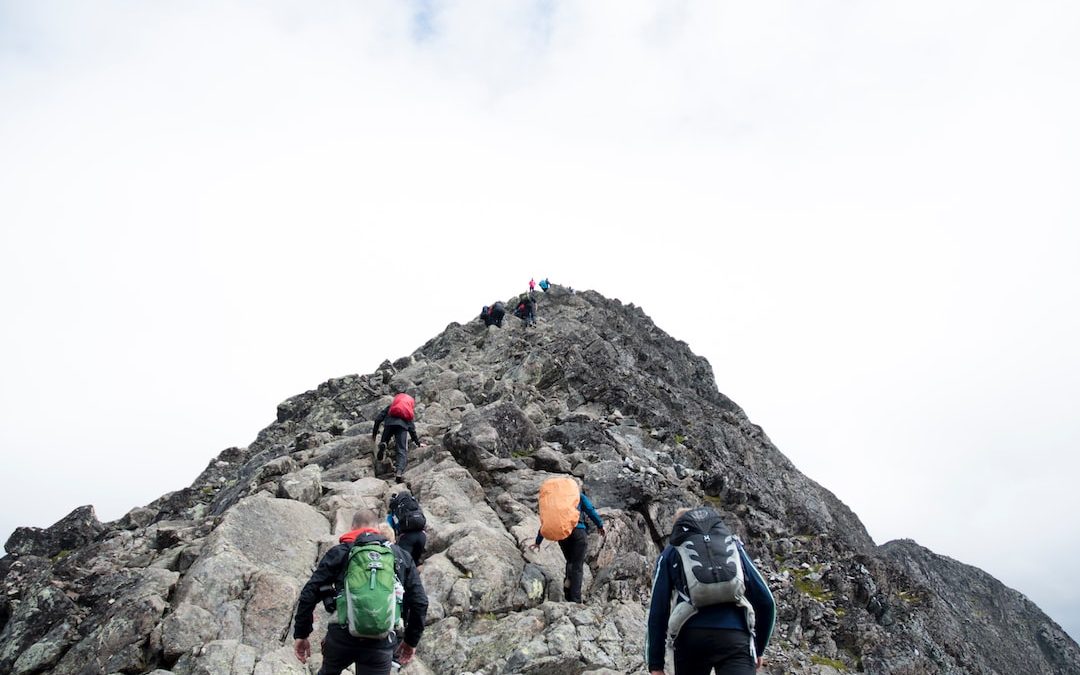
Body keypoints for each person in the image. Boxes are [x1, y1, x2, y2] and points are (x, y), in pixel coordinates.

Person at [293, 509, 428, 675]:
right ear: (377, 529)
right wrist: (410, 641)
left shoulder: (340, 552)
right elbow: (420, 602)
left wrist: (302, 634)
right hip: (381, 641)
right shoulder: (400, 556)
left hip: (341, 637)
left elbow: (309, 593)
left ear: (352, 527)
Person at [645, 506, 775, 675]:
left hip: (691, 637)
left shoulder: (671, 551)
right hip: (736, 636)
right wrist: (759, 649)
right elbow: (766, 601)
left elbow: (658, 609)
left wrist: (656, 663)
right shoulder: (732, 545)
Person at [529, 487, 605, 602]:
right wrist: (600, 525)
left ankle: (568, 592)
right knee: (577, 566)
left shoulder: (555, 502)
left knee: (570, 561)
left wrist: (538, 541)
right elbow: (590, 510)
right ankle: (575, 600)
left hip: (562, 534)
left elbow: (549, 522)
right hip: (579, 532)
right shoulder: (577, 495)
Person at [372, 394, 422, 482]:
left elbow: (378, 419)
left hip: (389, 424)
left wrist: (374, 434)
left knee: (385, 440)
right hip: (402, 428)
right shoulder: (407, 411)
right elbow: (412, 429)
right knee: (402, 450)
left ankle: (383, 445)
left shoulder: (391, 407)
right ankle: (399, 471)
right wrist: (418, 443)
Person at [387, 491, 428, 570]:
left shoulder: (395, 511)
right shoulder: (414, 506)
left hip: (406, 538)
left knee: (403, 564)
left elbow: (389, 527)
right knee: (415, 562)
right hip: (422, 536)